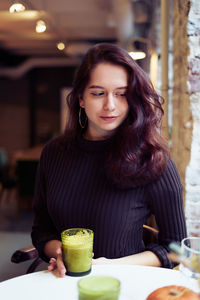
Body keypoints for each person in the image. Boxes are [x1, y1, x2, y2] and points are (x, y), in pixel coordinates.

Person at [31, 43, 187, 277]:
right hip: (63, 283)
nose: (110, 105)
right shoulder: (54, 153)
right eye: (98, 93)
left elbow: (176, 249)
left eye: (122, 94)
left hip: (126, 285)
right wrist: (59, 251)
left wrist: (113, 266)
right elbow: (42, 230)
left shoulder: (152, 159)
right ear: (81, 99)